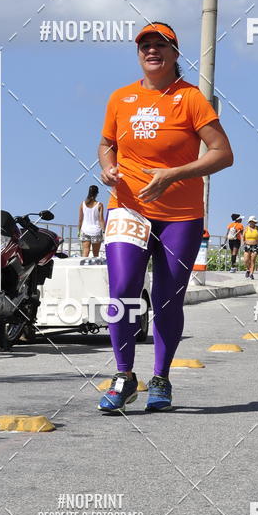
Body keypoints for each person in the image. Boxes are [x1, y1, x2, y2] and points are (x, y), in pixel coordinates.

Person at [97, 22, 233, 412]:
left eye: (160, 45)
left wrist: (174, 174)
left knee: (167, 298)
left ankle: (161, 378)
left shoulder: (191, 99)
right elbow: (106, 143)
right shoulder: (121, 98)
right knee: (122, 289)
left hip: (180, 215)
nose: (151, 51)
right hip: (128, 207)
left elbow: (223, 153)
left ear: (175, 54)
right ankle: (123, 376)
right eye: (144, 46)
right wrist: (108, 166)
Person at [78, 185, 105, 262]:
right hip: (96, 231)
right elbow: (101, 220)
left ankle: (82, 269)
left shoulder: (82, 204)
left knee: (85, 252)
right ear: (97, 193)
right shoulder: (100, 205)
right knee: (95, 254)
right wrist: (104, 231)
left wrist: (79, 230)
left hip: (85, 230)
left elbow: (80, 219)